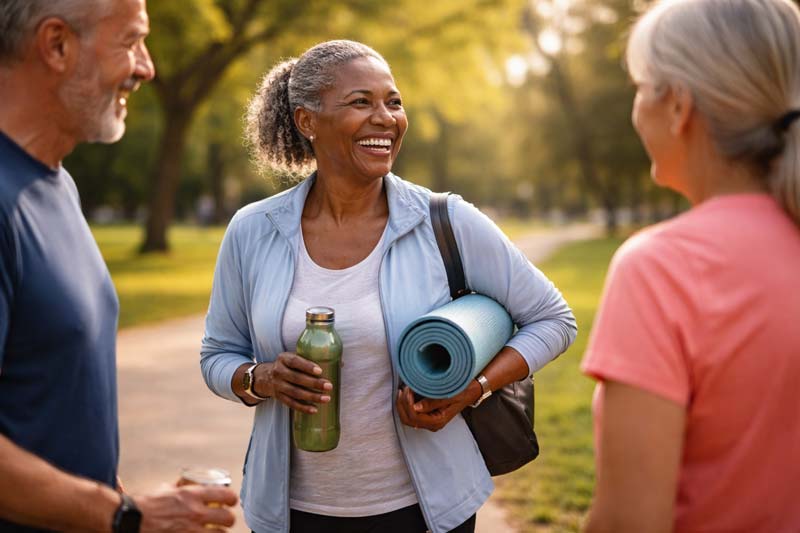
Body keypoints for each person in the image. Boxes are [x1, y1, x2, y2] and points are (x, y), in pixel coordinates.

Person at [200, 39, 577, 533]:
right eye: (361, 102)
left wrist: (472, 389)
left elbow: (554, 319)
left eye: (393, 102)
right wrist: (258, 378)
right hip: (292, 512)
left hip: (426, 511)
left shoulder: (446, 220)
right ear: (306, 121)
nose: (386, 118)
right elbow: (216, 355)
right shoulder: (253, 230)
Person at [0, 1, 238, 531]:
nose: (147, 67)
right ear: (57, 45)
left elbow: (45, 406)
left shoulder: (56, 184)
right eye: (131, 41)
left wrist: (126, 500)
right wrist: (124, 515)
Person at [582, 1, 800, 531]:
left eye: (639, 87)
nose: (636, 107)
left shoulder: (661, 270)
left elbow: (629, 523)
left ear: (678, 106)